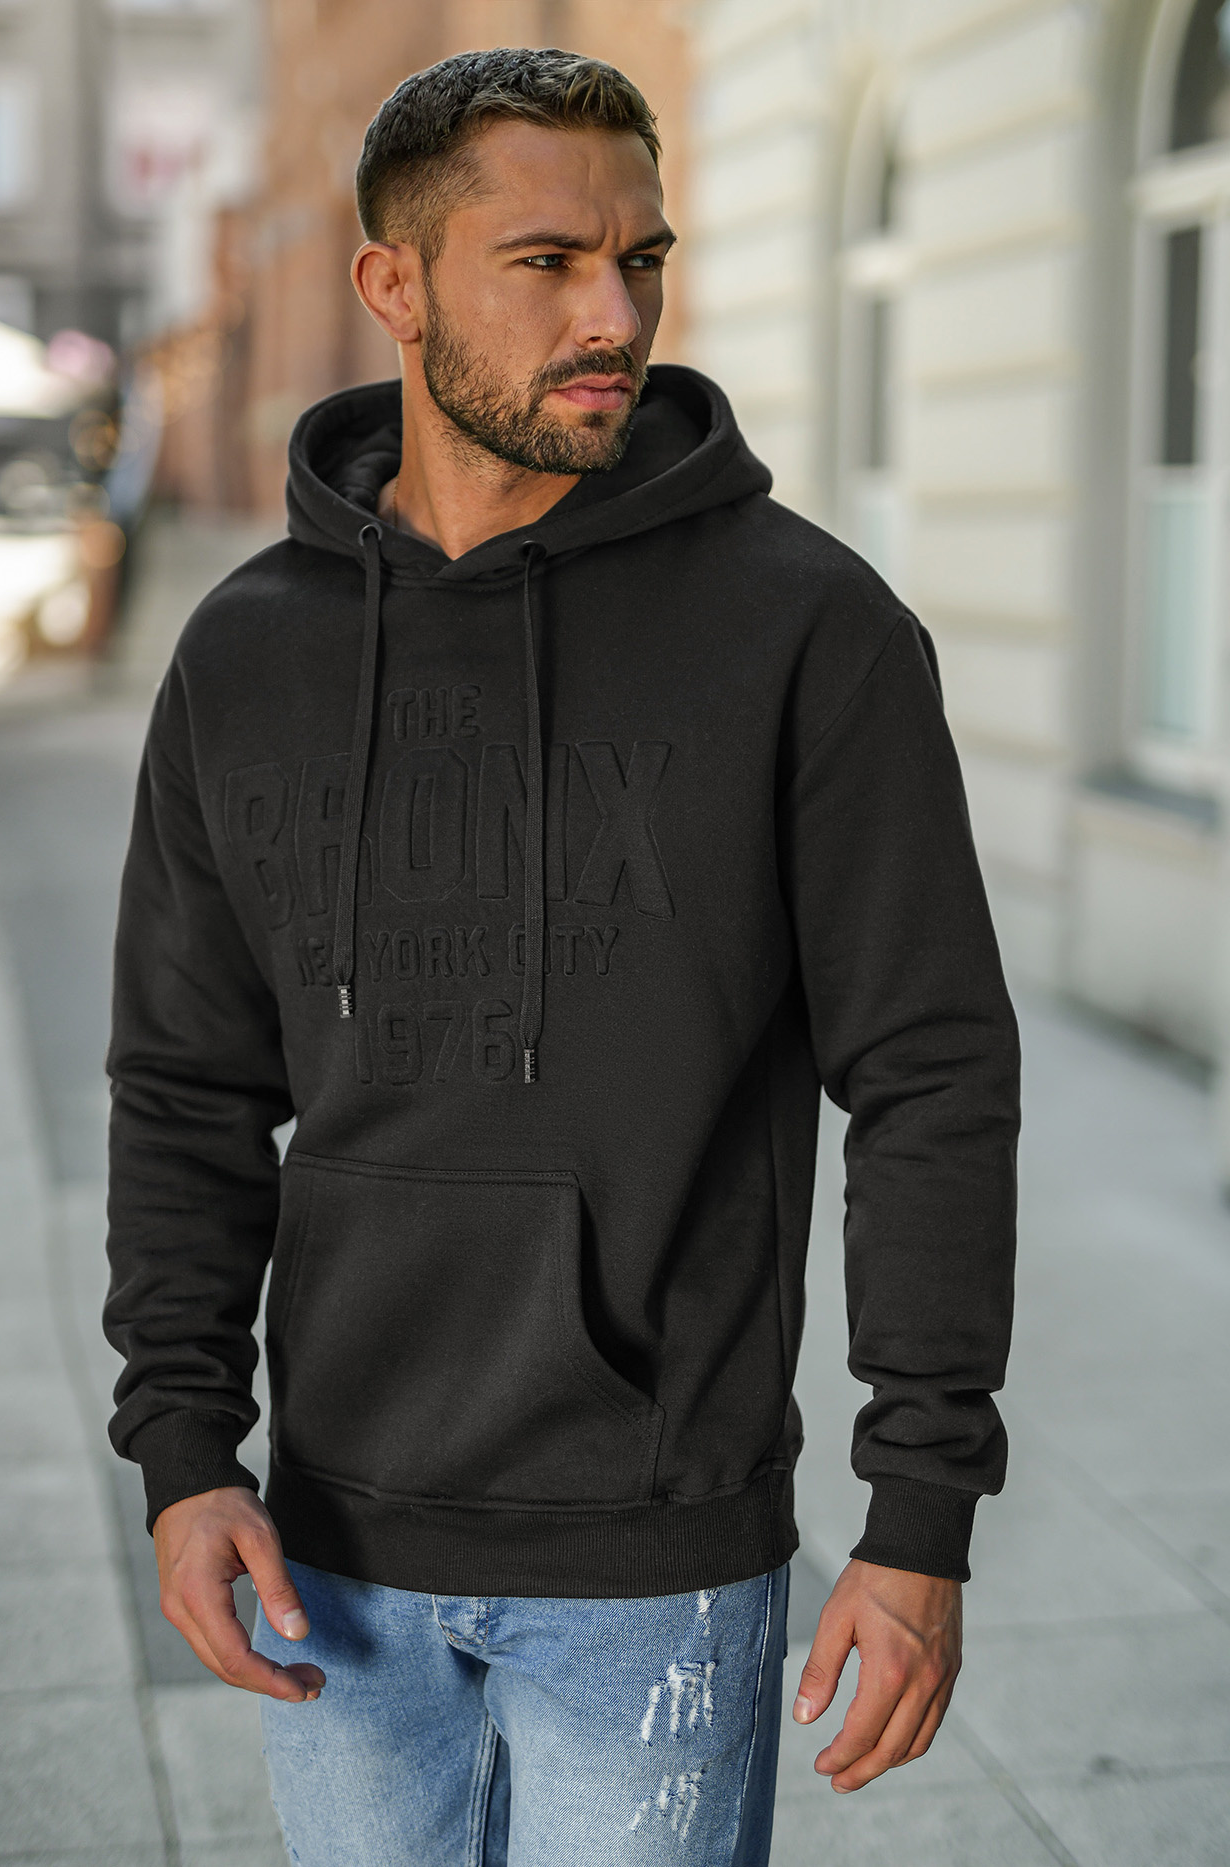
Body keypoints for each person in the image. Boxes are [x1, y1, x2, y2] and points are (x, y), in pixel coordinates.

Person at [103, 46, 1020, 1866]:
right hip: (330, 1552)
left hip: (655, 1555)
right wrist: (185, 1455)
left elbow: (932, 1073)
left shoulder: (810, 630)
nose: (616, 317)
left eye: (641, 260)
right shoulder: (246, 657)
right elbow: (187, 1084)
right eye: (547, 264)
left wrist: (920, 1512)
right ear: (394, 284)